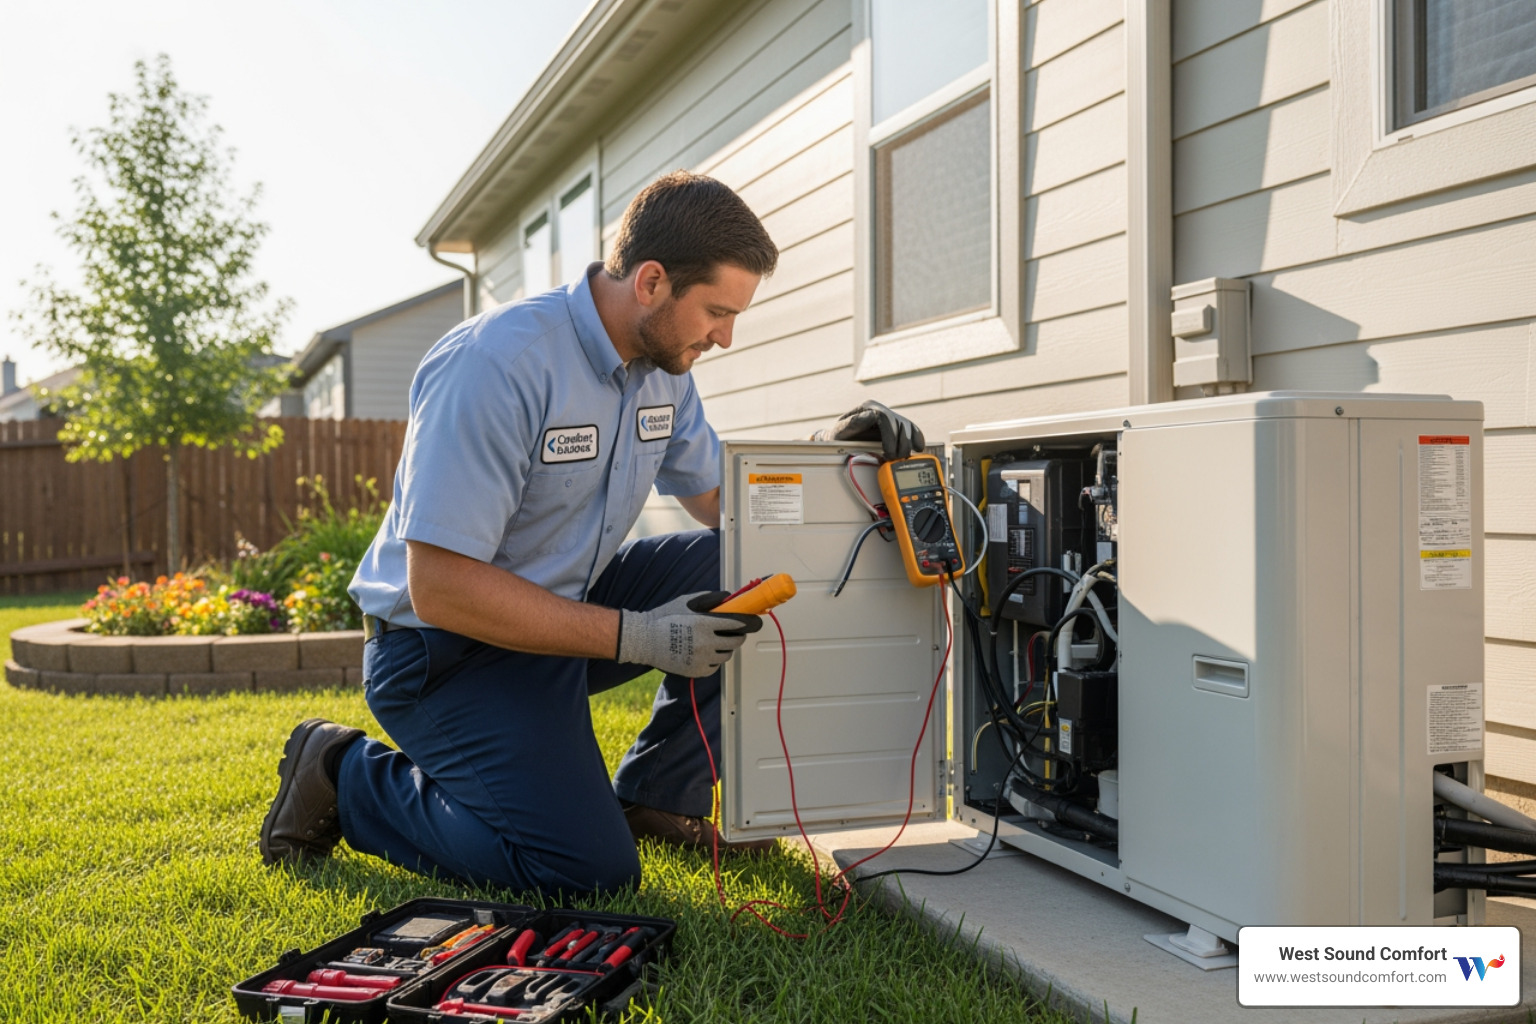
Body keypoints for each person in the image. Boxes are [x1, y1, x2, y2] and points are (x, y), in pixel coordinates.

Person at [257, 170, 926, 895]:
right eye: (716, 312)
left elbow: (727, 507)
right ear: (650, 282)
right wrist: (641, 636)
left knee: (740, 565)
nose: (726, 336)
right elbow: (441, 587)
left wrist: (830, 455)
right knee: (586, 873)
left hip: (556, 616)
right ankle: (345, 775)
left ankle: (657, 796)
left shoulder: (663, 368)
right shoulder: (496, 366)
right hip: (443, 652)